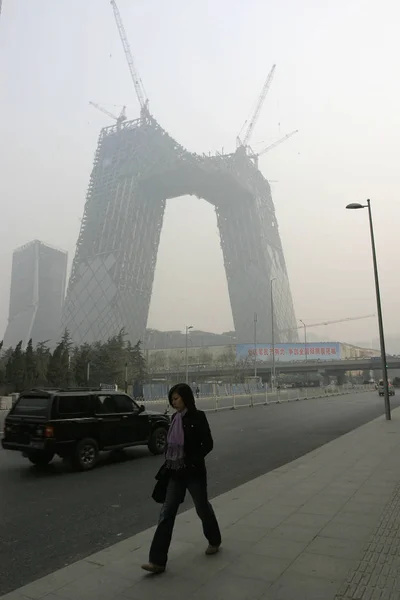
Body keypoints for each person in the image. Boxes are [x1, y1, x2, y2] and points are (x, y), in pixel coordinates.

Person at [141, 383, 221, 574]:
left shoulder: (198, 417)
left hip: (194, 473)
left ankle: (214, 540)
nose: (173, 401)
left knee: (202, 508)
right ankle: (157, 561)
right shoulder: (174, 418)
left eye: (176, 398)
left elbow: (208, 444)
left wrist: (191, 460)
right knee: (166, 513)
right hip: (175, 474)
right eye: (172, 399)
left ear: (186, 398)